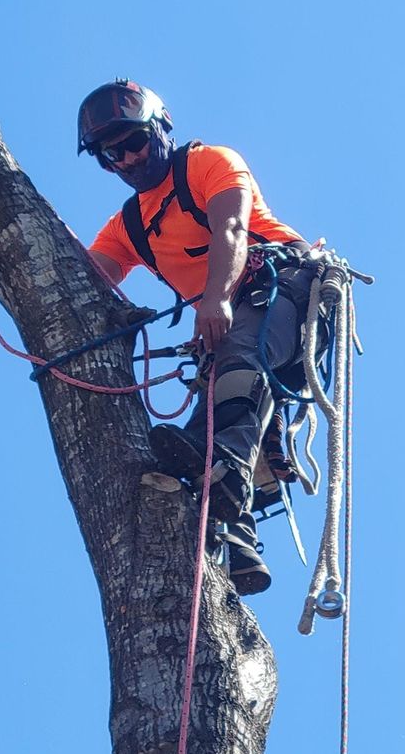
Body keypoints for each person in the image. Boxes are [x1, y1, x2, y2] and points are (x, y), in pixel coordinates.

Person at [79, 79, 316, 596]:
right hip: (232, 319)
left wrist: (216, 298)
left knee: (238, 361)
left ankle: (229, 468)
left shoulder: (209, 164)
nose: (123, 160)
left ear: (160, 129)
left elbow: (231, 227)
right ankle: (235, 539)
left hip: (286, 287)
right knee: (203, 421)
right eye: (107, 155)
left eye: (132, 143)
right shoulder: (129, 226)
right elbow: (81, 273)